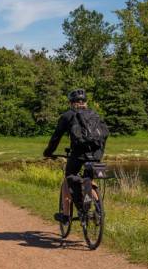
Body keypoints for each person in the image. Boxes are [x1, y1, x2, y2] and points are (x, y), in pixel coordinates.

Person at [43, 88, 107, 223]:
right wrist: (99, 153)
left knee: (69, 178)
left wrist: (48, 152)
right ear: (86, 102)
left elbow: (56, 137)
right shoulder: (95, 115)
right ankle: (98, 210)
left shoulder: (68, 116)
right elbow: (104, 135)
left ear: (71, 103)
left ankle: (66, 216)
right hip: (96, 154)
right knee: (89, 178)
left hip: (78, 155)